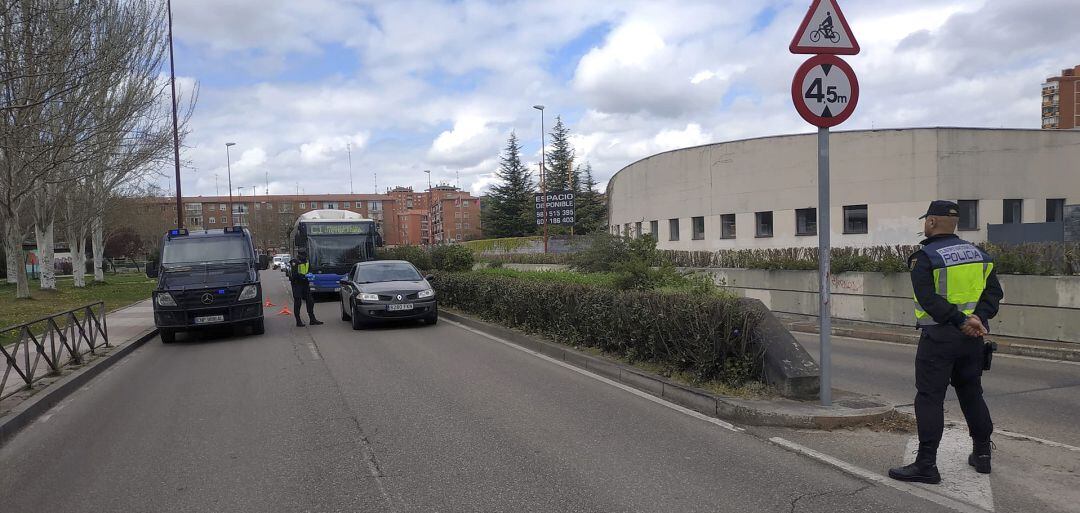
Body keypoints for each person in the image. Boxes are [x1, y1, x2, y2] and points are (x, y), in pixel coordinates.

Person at [889, 200, 1003, 484]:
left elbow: (928, 299)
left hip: (939, 337)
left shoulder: (925, 257)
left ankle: (926, 464)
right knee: (971, 392)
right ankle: (982, 455)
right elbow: (994, 294)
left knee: (929, 397)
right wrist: (976, 317)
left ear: (931, 222)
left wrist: (959, 320)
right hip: (973, 339)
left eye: (925, 221)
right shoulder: (980, 254)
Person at [288, 252, 323, 327]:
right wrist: (304, 276)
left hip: (305, 284)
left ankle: (312, 319)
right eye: (303, 255)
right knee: (298, 302)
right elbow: (294, 274)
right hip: (297, 284)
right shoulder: (294, 262)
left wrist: (310, 274)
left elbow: (309, 269)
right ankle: (298, 321)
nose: (305, 257)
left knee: (310, 301)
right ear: (300, 255)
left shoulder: (306, 261)